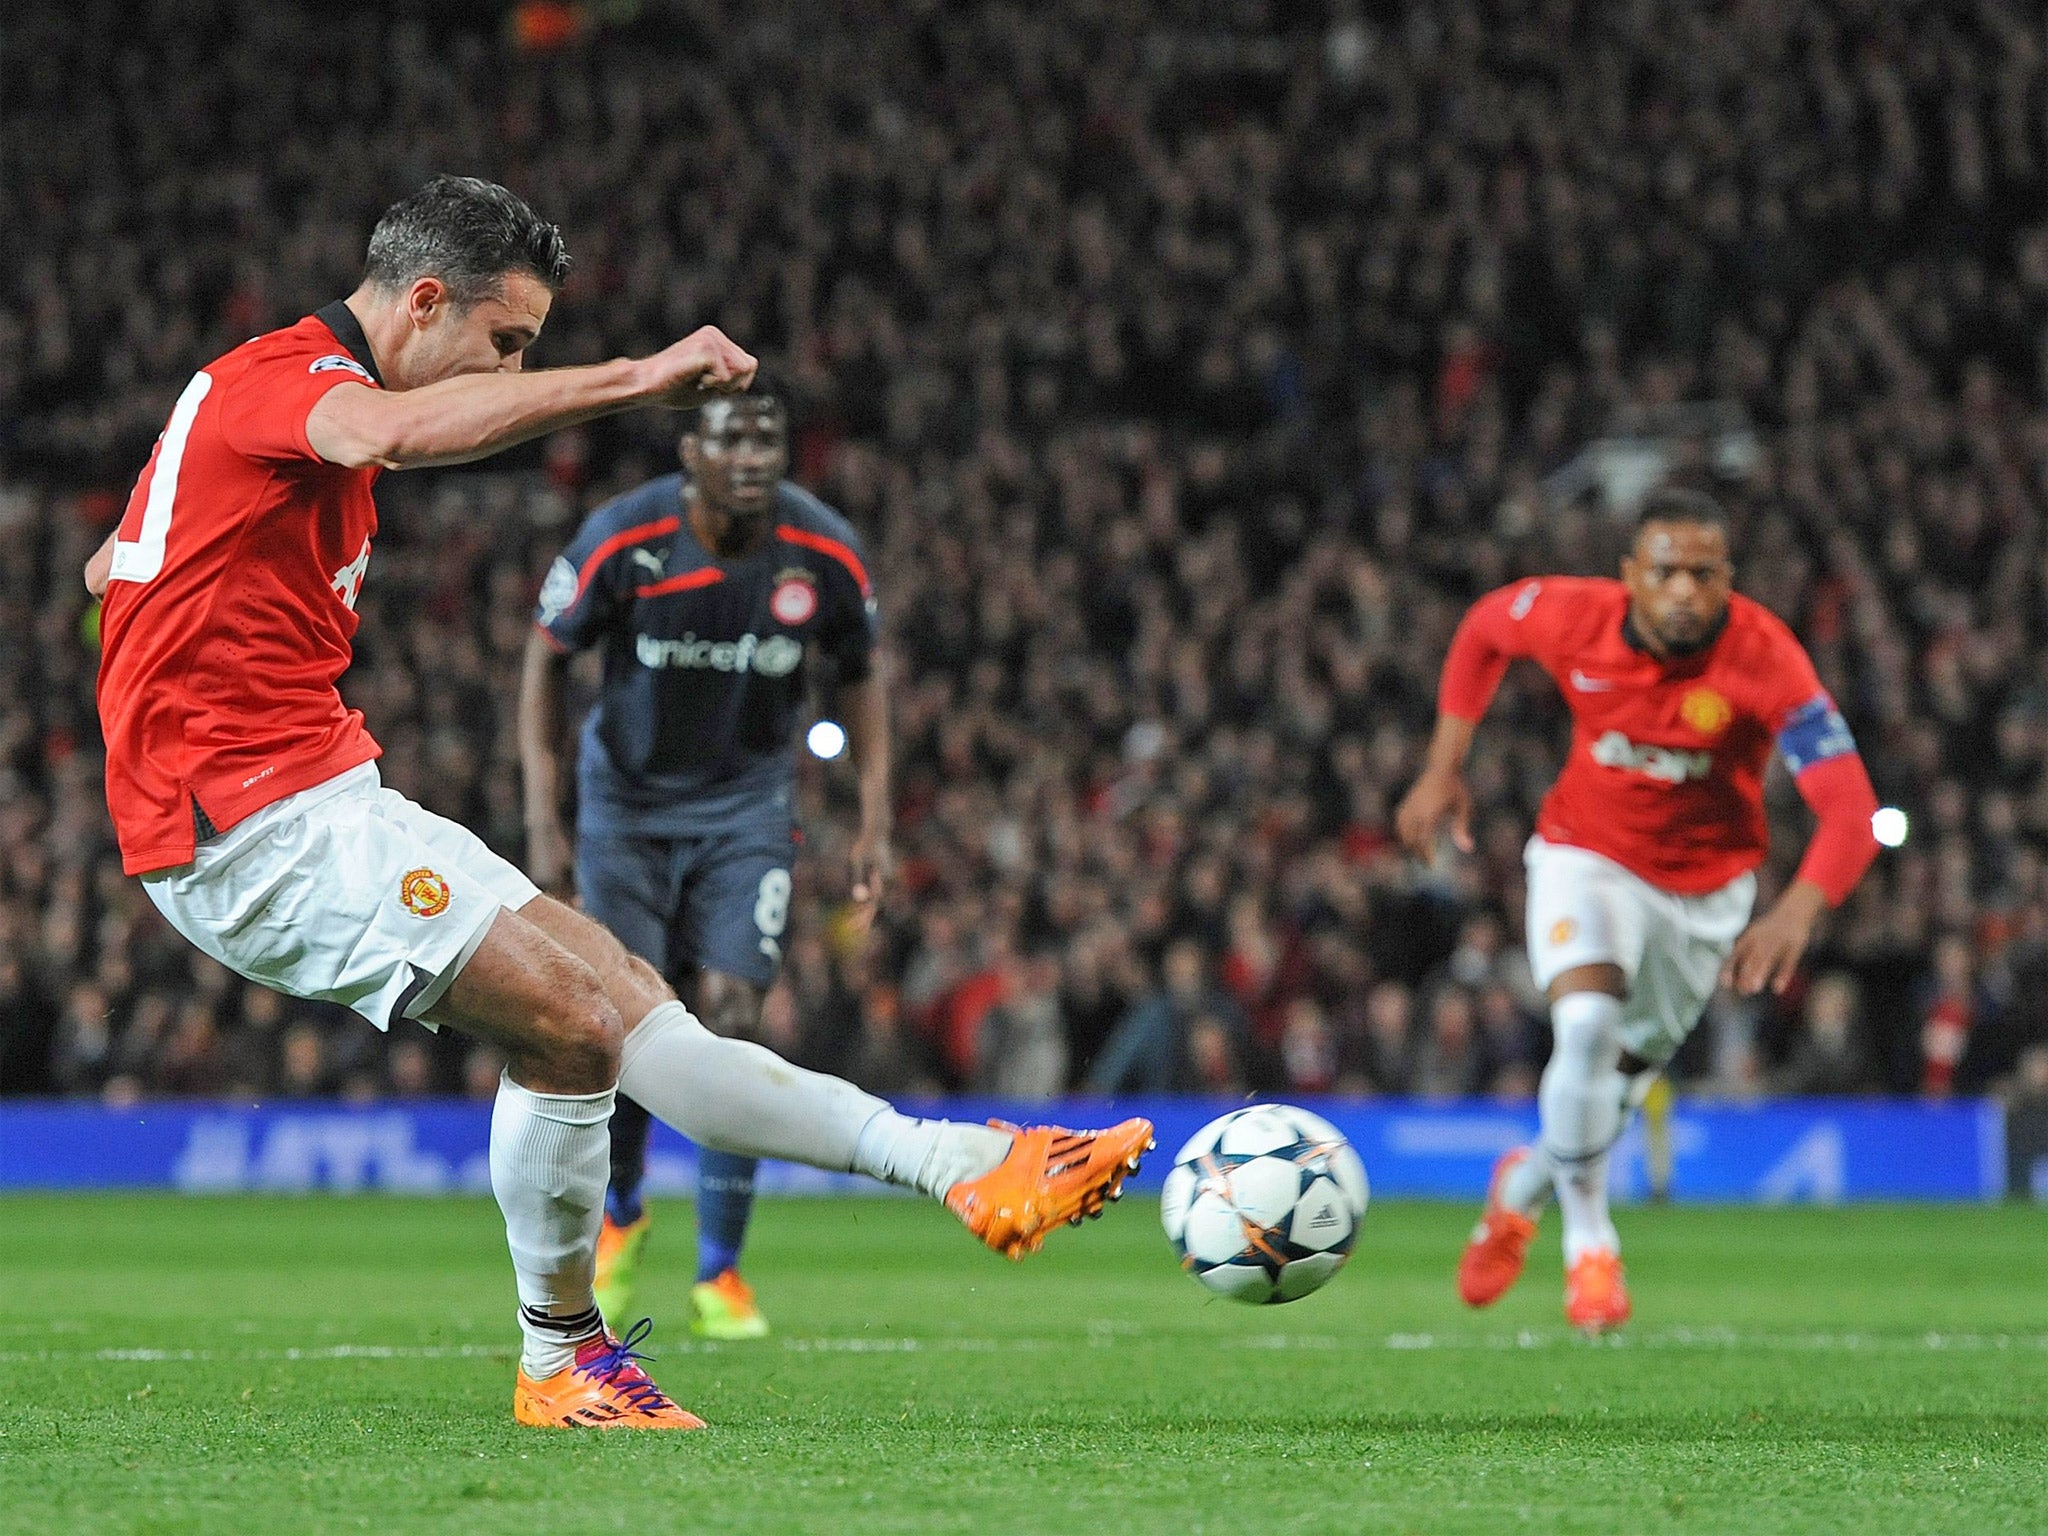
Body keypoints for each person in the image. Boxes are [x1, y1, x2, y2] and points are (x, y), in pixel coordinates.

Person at [87, 175, 1153, 1430]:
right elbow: (386, 435)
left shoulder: (247, 399)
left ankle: (963, 1166)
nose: (510, 368)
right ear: (423, 302)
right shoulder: (295, 385)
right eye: (505, 343)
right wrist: (636, 376)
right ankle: (562, 1359)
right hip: (244, 827)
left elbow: (112, 564)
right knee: (567, 1028)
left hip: (323, 786)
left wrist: (155, 626)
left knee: (634, 1008)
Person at [1395, 485, 1880, 1333]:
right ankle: (1591, 1246)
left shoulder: (1765, 657)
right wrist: (1444, 764)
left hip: (1705, 898)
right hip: (1587, 856)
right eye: (1667, 572)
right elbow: (1481, 631)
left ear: (1728, 580)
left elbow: (1850, 806)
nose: (1685, 590)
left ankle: (1520, 1190)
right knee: (1584, 1025)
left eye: (1704, 573)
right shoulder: (1574, 616)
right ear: (1631, 576)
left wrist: (1799, 909)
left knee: (1613, 1091)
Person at [519, 381, 892, 1341]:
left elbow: (862, 673)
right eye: (730, 438)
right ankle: (623, 1212)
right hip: (626, 813)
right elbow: (545, 658)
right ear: (692, 456)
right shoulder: (624, 538)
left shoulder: (822, 551)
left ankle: (721, 1271)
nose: (752, 456)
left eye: (768, 439)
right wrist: (543, 814)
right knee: (627, 1024)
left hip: (746, 812)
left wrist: (875, 815)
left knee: (730, 1019)